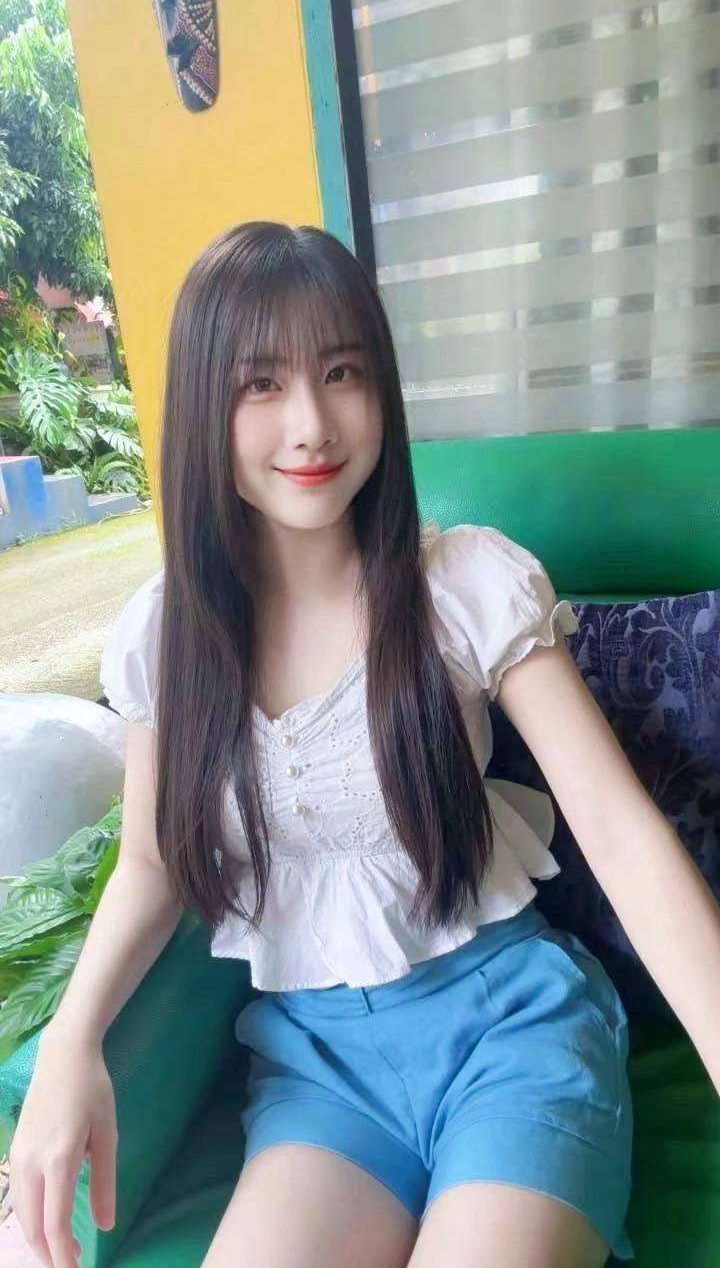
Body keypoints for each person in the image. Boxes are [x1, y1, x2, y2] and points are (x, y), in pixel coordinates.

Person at [9, 222, 720, 1268]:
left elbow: (619, 833)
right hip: (320, 1072)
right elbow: (153, 863)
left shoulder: (465, 586)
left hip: (513, 1032)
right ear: (203, 404)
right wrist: (72, 1044)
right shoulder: (165, 637)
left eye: (342, 372)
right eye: (261, 383)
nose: (311, 424)